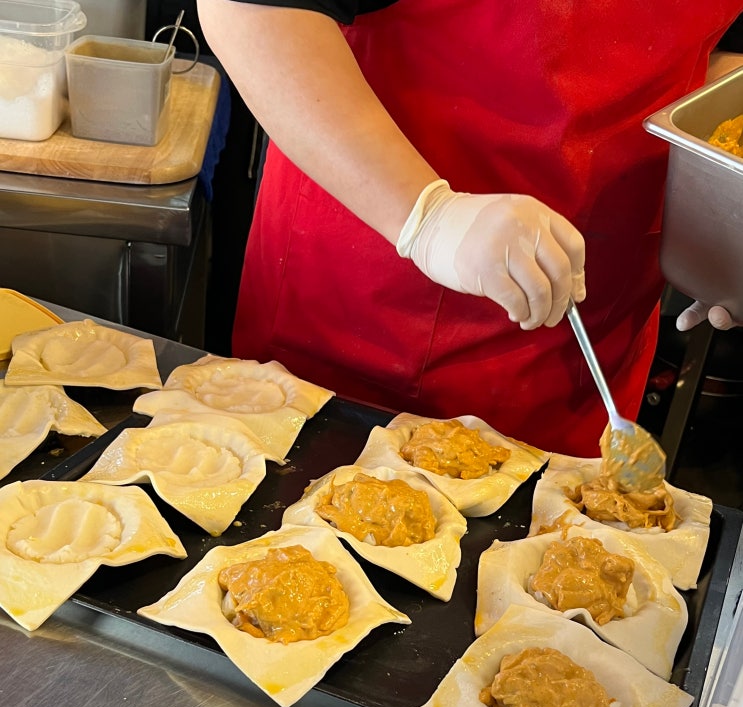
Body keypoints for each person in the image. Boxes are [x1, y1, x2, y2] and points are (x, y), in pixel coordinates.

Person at [196, 0, 743, 456]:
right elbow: (246, 8)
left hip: (585, 347)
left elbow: (717, 55)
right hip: (360, 305)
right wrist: (428, 216)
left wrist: (724, 207)